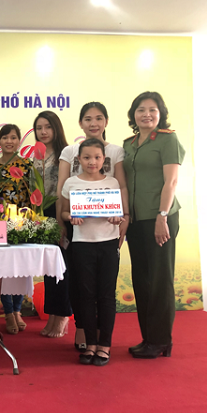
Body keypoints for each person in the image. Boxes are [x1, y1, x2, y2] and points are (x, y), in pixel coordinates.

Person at [57, 102, 130, 351]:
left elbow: (117, 209)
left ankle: (105, 345)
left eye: (97, 158)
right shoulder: (71, 182)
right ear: (78, 159)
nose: (92, 161)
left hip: (108, 243)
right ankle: (89, 343)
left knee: (106, 295)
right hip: (82, 244)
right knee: (85, 294)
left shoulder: (112, 183)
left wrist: (119, 217)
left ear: (104, 159)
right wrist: (69, 218)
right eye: (87, 158)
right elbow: (64, 210)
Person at [123, 91, 185, 359]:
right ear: (133, 114)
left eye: (152, 110)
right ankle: (148, 337)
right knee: (142, 279)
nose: (146, 114)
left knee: (159, 279)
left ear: (161, 114)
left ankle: (161, 341)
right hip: (136, 219)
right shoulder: (129, 144)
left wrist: (162, 216)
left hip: (160, 218)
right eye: (141, 109)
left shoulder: (168, 139)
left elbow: (171, 181)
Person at [31, 111, 72, 338]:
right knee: (49, 268)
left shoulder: (65, 154)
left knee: (62, 268)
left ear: (56, 128)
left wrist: (60, 220)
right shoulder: (36, 155)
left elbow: (64, 189)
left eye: (48, 127)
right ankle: (52, 315)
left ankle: (63, 315)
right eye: (39, 128)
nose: (43, 131)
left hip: (60, 212)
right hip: (42, 215)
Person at [0, 124, 32, 334]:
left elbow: (33, 194)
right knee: (3, 268)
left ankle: (17, 311)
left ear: (19, 141)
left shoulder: (27, 165)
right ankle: (8, 312)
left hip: (22, 222)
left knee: (21, 268)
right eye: (5, 138)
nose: (9, 141)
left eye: (13, 137)